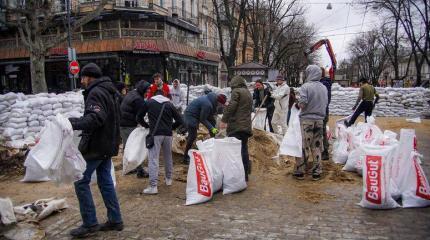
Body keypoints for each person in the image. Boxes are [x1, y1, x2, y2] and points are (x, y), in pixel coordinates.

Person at [68, 63, 123, 238]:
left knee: (80, 181)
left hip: (97, 146)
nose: (82, 81)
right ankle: (115, 220)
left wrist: (73, 123)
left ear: (89, 77)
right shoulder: (110, 91)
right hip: (108, 144)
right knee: (105, 181)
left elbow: (95, 118)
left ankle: (90, 223)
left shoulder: (96, 93)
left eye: (83, 77)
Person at [136, 92, 183, 194]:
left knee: (153, 158)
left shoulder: (149, 102)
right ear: (164, 96)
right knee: (168, 157)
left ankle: (153, 186)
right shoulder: (169, 104)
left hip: (155, 134)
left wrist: (146, 126)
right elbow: (180, 120)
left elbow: (138, 117)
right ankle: (169, 179)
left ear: (154, 95)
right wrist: (171, 127)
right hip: (168, 134)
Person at [293, 65, 328, 181]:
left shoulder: (305, 86)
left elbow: (302, 103)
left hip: (306, 121)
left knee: (304, 146)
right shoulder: (324, 88)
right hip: (319, 121)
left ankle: (300, 171)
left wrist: (296, 105)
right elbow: (326, 103)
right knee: (317, 146)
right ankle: (317, 172)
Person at [220, 76, 253, 181]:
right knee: (244, 149)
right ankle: (245, 174)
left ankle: (236, 175)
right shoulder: (247, 92)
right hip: (246, 126)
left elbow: (232, 107)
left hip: (236, 126)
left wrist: (224, 120)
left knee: (235, 151)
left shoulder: (236, 91)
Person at [183, 92, 227, 164]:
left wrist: (213, 127)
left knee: (212, 123)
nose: (221, 106)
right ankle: (185, 157)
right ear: (218, 102)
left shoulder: (213, 100)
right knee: (193, 136)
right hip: (190, 115)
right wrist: (212, 128)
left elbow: (210, 117)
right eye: (221, 105)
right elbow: (203, 119)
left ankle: (213, 145)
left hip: (196, 115)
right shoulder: (207, 105)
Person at [120, 80, 151, 178]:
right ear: (143, 90)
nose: (147, 93)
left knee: (127, 146)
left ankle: (129, 167)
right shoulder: (138, 99)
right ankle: (140, 171)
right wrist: (146, 126)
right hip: (127, 124)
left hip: (122, 123)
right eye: (147, 91)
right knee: (134, 147)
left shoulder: (132, 93)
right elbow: (139, 117)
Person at [319, 67, 332, 160]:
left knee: (322, 131)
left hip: (322, 111)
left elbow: (325, 100)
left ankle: (325, 152)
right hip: (320, 111)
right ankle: (321, 150)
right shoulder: (323, 83)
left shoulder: (324, 84)